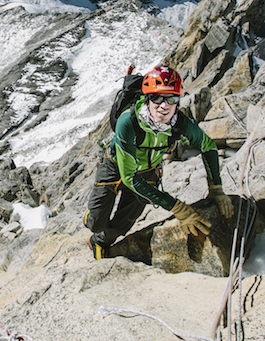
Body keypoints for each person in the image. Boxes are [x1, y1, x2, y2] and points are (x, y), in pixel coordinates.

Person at [83, 65, 234, 259]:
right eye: (157, 98)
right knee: (96, 222)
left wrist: (216, 188)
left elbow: (209, 147)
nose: (164, 106)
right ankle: (93, 220)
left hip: (147, 171)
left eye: (171, 99)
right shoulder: (128, 122)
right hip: (116, 166)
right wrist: (176, 207)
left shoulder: (179, 123)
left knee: (123, 223)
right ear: (147, 98)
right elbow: (129, 178)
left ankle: (99, 242)